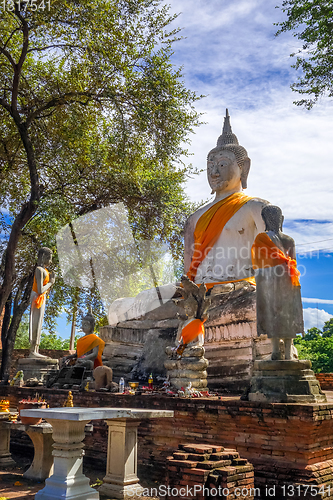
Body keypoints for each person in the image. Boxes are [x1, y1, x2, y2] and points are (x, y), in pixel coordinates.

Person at [184, 109, 269, 288]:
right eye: (210, 166)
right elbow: (188, 272)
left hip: (236, 290)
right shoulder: (194, 219)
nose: (214, 173)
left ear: (244, 168)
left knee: (251, 301)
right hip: (197, 292)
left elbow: (273, 263)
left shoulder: (255, 208)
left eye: (222, 165)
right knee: (140, 303)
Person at [251, 205, 303, 360]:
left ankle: (275, 351)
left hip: (270, 281)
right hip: (288, 279)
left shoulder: (262, 238)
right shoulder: (288, 239)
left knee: (273, 313)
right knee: (288, 314)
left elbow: (259, 264)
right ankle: (287, 353)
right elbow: (292, 262)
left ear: (264, 220)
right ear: (282, 219)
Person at [29, 247, 56, 358]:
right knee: (35, 322)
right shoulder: (39, 270)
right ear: (44, 257)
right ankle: (32, 350)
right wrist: (51, 282)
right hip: (37, 297)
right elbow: (40, 289)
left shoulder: (46, 271)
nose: (51, 261)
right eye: (49, 258)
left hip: (41, 298)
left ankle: (36, 349)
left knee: (39, 323)